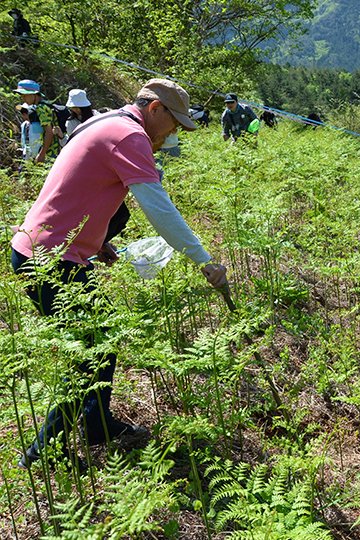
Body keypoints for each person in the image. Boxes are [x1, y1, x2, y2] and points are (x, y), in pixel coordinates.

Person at [12, 78, 228, 470]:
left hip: (46, 250)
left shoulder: (106, 122)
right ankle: (44, 454)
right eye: (174, 122)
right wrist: (204, 260)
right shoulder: (130, 136)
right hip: (49, 260)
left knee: (99, 342)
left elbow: (77, 187)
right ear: (154, 109)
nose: (176, 131)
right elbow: (159, 209)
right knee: (88, 354)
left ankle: (97, 427)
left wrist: (96, 242)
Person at [14, 79, 59, 163]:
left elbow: (49, 132)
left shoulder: (41, 108)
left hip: (48, 154)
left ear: (34, 95)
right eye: (22, 96)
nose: (23, 98)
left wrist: (42, 154)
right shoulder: (35, 108)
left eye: (25, 95)